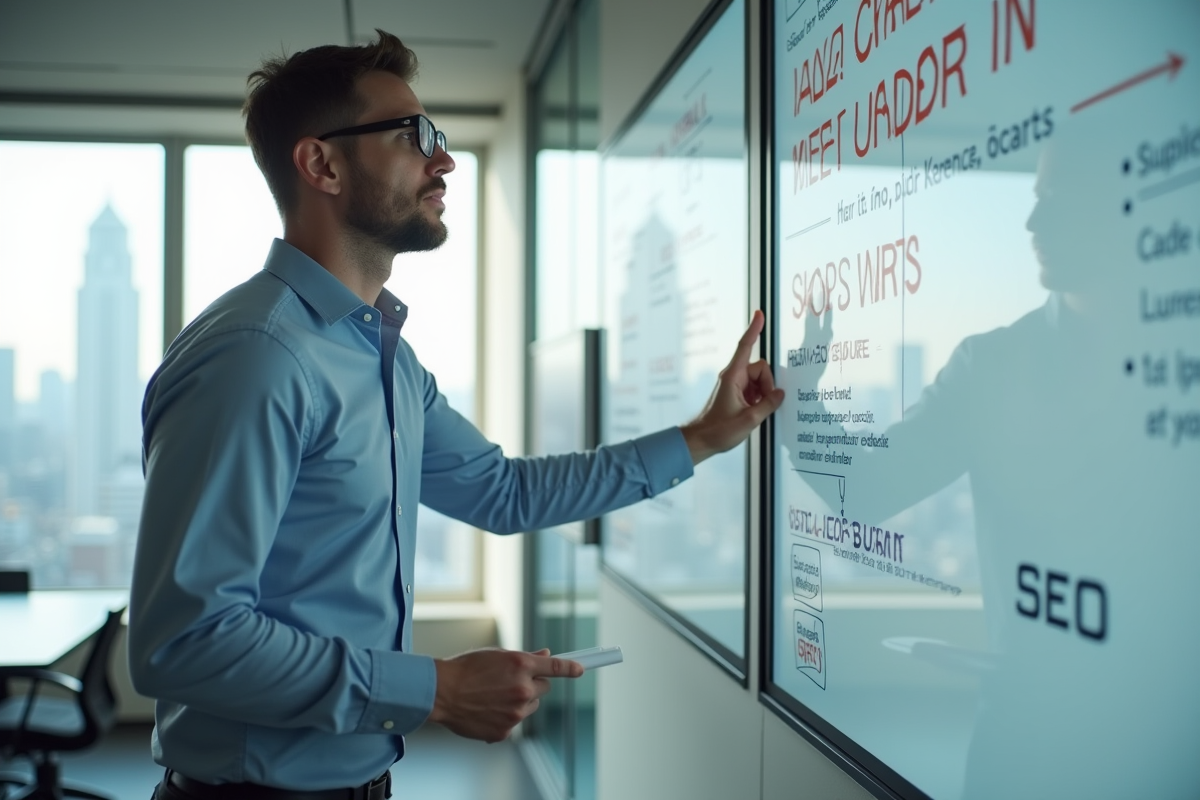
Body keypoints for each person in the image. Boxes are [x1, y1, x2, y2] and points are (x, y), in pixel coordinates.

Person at [128, 30, 784, 799]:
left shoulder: (385, 358)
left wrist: (702, 438)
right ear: (322, 164)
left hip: (363, 783)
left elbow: (504, 493)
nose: (443, 161)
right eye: (414, 137)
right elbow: (185, 642)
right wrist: (434, 690)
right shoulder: (258, 356)